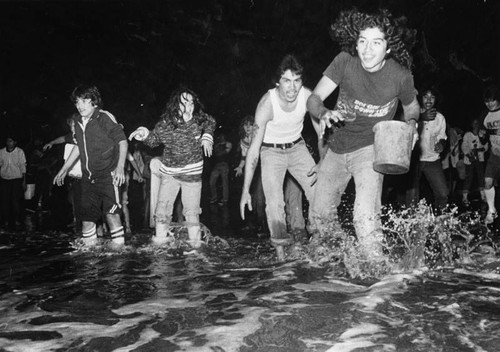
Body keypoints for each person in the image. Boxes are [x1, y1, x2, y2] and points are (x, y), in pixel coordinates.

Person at [306, 8, 420, 259]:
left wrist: (412, 125)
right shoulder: (344, 61)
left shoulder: (400, 75)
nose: (367, 50)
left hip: (371, 148)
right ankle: (335, 265)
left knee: (365, 217)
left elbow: (412, 107)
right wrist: (323, 112)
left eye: (376, 43)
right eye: (362, 41)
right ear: (355, 43)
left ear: (388, 48)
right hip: (336, 148)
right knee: (319, 218)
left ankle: (377, 275)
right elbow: (314, 98)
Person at [239, 54, 319, 261]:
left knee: (319, 191)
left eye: (297, 81)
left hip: (297, 147)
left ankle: (319, 241)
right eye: (286, 81)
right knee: (274, 203)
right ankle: (281, 256)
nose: (292, 88)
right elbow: (253, 151)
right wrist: (246, 190)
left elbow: (322, 134)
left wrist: (323, 163)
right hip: (270, 151)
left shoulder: (307, 96)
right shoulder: (267, 104)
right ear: (277, 82)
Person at [129, 87, 215, 247]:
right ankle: (160, 242)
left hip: (192, 174)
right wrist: (145, 134)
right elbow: (154, 140)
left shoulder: (198, 119)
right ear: (175, 105)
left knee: (191, 212)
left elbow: (210, 121)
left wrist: (207, 136)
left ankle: (195, 246)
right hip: (170, 174)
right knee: (162, 210)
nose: (189, 107)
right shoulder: (165, 125)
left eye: (191, 102)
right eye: (184, 103)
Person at [53, 85, 128, 247]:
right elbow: (79, 147)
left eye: (85, 101)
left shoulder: (104, 117)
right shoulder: (78, 122)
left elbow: (122, 141)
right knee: (86, 219)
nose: (80, 106)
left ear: (94, 102)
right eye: (77, 102)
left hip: (109, 176)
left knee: (112, 215)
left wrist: (120, 167)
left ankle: (119, 255)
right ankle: (88, 257)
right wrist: (64, 169)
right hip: (88, 179)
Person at [408, 87, 449, 212]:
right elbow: (403, 126)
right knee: (412, 197)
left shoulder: (440, 118)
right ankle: (410, 224)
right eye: (426, 96)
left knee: (443, 193)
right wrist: (421, 117)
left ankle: (440, 220)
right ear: (421, 98)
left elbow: (442, 137)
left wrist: (442, 144)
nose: (429, 100)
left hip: (432, 159)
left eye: (432, 97)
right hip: (413, 160)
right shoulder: (413, 113)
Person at [482, 84, 500, 224]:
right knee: (487, 181)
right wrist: (484, 135)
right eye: (487, 101)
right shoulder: (486, 117)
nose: (489, 104)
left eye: (492, 100)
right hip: (495, 155)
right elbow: (485, 136)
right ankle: (491, 210)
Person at [0, 135, 26, 230]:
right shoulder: (1, 152)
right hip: (5, 179)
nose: (9, 143)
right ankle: (6, 220)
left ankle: (17, 219)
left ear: (15, 142)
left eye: (11, 141)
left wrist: (24, 181)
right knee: (4, 200)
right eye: (7, 141)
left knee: (15, 200)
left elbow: (23, 167)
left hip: (16, 178)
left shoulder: (20, 152)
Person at [461, 118, 488, 207]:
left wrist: (479, 149)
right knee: (469, 177)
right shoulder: (468, 135)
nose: (476, 125)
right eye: (474, 123)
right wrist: (469, 154)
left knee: (481, 176)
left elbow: (486, 146)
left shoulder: (482, 133)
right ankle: (465, 197)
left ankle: (483, 196)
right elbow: (464, 146)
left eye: (477, 123)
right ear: (471, 125)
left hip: (480, 158)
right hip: (470, 159)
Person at [209, 130, 232, 205]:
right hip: (217, 165)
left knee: (225, 183)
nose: (221, 137)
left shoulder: (228, 143)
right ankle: (214, 197)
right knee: (211, 181)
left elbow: (226, 152)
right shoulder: (217, 145)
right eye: (220, 136)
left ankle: (225, 199)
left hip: (224, 165)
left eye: (223, 136)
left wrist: (219, 150)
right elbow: (214, 154)